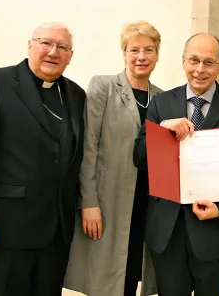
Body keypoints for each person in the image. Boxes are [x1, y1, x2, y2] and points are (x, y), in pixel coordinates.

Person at [0, 22, 86, 296]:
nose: (53, 52)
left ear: (70, 56)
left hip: (56, 233)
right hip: (6, 230)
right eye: (46, 43)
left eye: (62, 47)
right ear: (30, 45)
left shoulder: (76, 95)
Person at [133, 33, 219, 296]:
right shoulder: (161, 103)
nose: (200, 70)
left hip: (212, 231)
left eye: (209, 62)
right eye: (194, 60)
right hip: (167, 230)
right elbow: (140, 158)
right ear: (183, 61)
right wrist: (163, 130)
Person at [63, 21, 162, 296]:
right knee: (104, 280)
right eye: (134, 50)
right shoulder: (103, 87)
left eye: (148, 50)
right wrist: (89, 202)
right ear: (124, 53)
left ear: (157, 54)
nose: (141, 57)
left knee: (131, 273)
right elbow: (88, 147)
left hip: (145, 202)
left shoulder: (163, 98)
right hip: (107, 201)